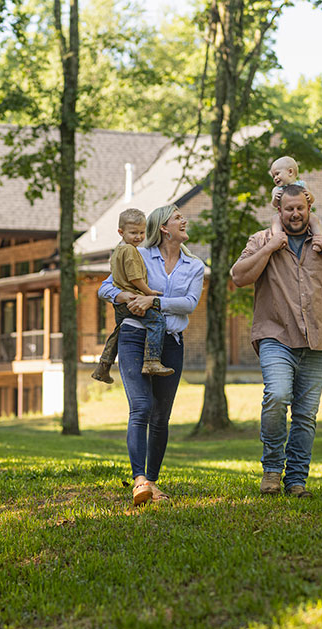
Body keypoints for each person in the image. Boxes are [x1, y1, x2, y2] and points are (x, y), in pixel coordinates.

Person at [231, 184, 322, 498]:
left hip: (318, 339)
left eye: (300, 208)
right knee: (276, 396)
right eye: (288, 209)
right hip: (275, 336)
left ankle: (297, 481)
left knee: (305, 415)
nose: (295, 214)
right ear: (279, 210)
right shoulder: (262, 239)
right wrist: (269, 248)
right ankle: (272, 470)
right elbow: (238, 276)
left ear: (308, 208)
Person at [98, 204, 205, 506]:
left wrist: (153, 302)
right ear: (164, 228)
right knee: (141, 407)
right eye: (177, 217)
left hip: (171, 342)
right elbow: (104, 288)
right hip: (135, 338)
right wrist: (124, 295)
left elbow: (189, 303)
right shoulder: (138, 254)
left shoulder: (194, 265)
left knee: (160, 416)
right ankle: (140, 480)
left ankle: (153, 482)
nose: (184, 220)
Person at [93, 208, 174, 384]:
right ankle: (152, 360)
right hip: (133, 300)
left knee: (118, 330)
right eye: (133, 233)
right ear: (121, 232)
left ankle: (103, 366)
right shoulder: (130, 251)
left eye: (141, 233)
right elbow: (135, 278)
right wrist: (149, 292)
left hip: (121, 305)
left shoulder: (118, 250)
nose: (138, 237)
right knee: (157, 321)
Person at [268, 156, 322, 244]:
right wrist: (275, 199)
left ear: (290, 172)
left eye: (277, 174)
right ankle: (278, 240)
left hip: (304, 215)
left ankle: (319, 240)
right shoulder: (277, 190)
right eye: (273, 176)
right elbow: (274, 205)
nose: (275, 178)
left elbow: (311, 201)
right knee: (275, 219)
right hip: (283, 216)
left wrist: (310, 196)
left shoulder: (303, 185)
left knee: (314, 219)